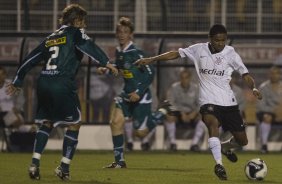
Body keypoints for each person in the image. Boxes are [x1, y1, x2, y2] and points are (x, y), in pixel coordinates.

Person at [135, 24, 262, 180]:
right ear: (210, 39)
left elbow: (245, 74)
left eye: (223, 40)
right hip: (208, 100)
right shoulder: (198, 49)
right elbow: (175, 54)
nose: (221, 43)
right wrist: (152, 59)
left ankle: (225, 146)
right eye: (217, 40)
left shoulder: (231, 53)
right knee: (211, 124)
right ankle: (219, 164)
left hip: (228, 102)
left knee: (243, 141)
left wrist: (254, 88)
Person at [5, 4, 118, 181]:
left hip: (44, 83)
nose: (84, 25)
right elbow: (88, 45)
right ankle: (64, 168)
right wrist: (106, 61)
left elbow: (30, 59)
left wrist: (18, 80)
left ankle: (35, 163)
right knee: (75, 123)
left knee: (47, 123)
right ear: (76, 21)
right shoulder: (75, 32)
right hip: (62, 83)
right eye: (83, 21)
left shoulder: (50, 38)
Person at [98, 17, 174, 168]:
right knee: (115, 122)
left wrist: (138, 92)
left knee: (140, 134)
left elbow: (150, 73)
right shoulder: (120, 52)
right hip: (126, 94)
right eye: (119, 32)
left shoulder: (136, 53)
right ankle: (119, 162)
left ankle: (162, 112)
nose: (121, 34)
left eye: (125, 32)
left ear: (131, 35)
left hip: (141, 96)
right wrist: (107, 69)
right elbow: (120, 68)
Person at [165, 68, 206, 152]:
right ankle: (173, 143)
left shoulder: (196, 88)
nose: (184, 80)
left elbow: (201, 103)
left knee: (204, 117)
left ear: (190, 78)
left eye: (186, 77)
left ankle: (194, 144)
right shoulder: (174, 87)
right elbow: (170, 103)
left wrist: (194, 113)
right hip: (179, 113)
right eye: (182, 78)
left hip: (192, 113)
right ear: (180, 78)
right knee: (169, 116)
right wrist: (181, 112)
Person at [256, 66, 282, 153]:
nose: (273, 75)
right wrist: (274, 110)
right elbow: (261, 105)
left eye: (276, 73)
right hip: (266, 112)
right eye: (271, 73)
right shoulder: (263, 87)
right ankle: (264, 146)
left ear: (280, 75)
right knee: (267, 117)